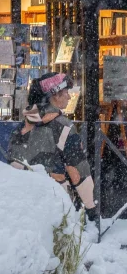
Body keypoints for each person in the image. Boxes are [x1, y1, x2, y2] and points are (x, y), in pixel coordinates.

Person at [7, 72, 97, 219]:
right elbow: (77, 171)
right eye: (66, 92)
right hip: (54, 204)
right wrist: (91, 206)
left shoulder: (21, 127)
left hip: (21, 201)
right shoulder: (64, 126)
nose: (69, 96)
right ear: (55, 95)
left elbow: (12, 162)